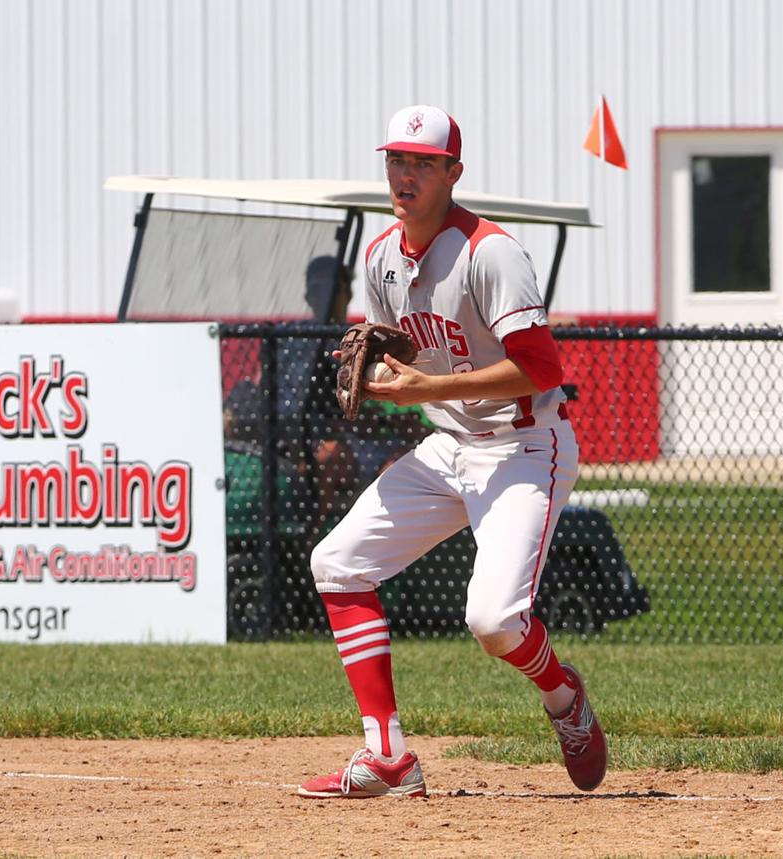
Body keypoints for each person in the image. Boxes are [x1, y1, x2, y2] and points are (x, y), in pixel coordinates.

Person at [298, 105, 606, 799]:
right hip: (448, 445)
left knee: (494, 622)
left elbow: (542, 369)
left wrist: (428, 389)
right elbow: (401, 358)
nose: (405, 175)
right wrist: (385, 388)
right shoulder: (380, 257)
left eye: (423, 164)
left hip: (525, 447)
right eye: (396, 161)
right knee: (338, 564)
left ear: (452, 174)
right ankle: (388, 759)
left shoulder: (490, 253)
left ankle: (563, 697)